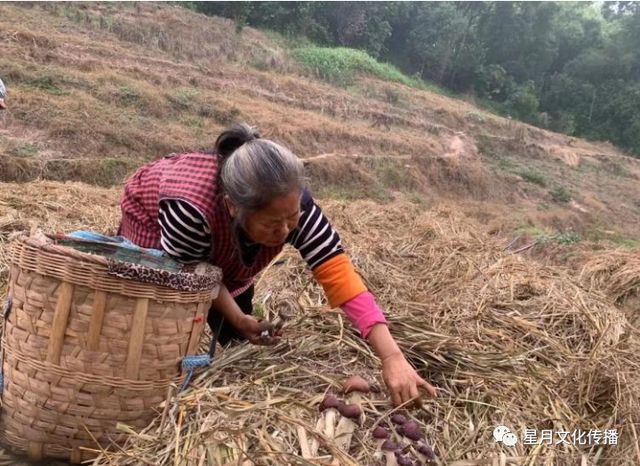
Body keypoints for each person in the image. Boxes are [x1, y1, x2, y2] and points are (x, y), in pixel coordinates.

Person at [118, 123, 437, 406]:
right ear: (233, 207)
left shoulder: (294, 206)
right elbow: (194, 269)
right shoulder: (190, 208)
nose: (286, 230)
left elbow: (340, 277)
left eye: (292, 218)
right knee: (162, 320)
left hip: (224, 243)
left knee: (237, 340)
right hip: (158, 233)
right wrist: (236, 316)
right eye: (273, 224)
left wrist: (392, 356)